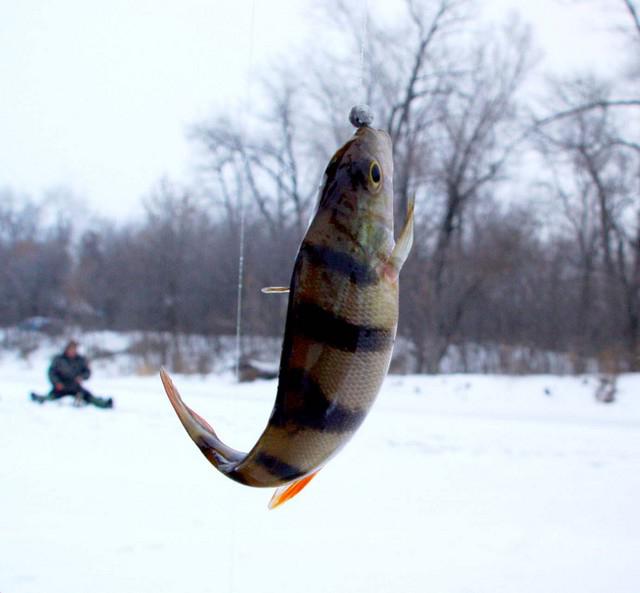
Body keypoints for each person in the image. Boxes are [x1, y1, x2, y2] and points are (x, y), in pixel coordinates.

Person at [30, 340, 113, 409]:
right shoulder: (59, 359)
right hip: (61, 386)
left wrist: (81, 377)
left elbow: (87, 372)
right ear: (67, 349)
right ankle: (38, 398)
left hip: (75, 387)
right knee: (50, 398)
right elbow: (51, 373)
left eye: (74, 349)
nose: (73, 351)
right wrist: (56, 383)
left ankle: (104, 404)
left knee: (89, 397)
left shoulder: (80, 360)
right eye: (71, 349)